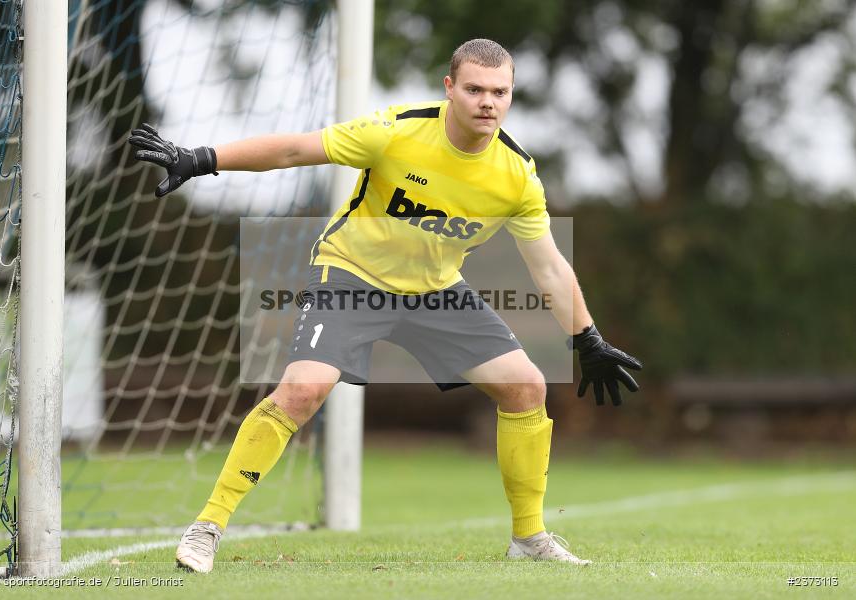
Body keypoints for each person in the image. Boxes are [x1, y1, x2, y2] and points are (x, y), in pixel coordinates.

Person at [129, 38, 642, 574]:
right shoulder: (396, 131)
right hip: (351, 276)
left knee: (527, 386)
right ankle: (208, 525)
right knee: (302, 390)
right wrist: (202, 158)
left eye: (500, 92)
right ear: (450, 89)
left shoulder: (516, 175)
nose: (487, 102)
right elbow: (295, 150)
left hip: (436, 291)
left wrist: (586, 337)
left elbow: (550, 267)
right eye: (474, 89)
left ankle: (529, 538)